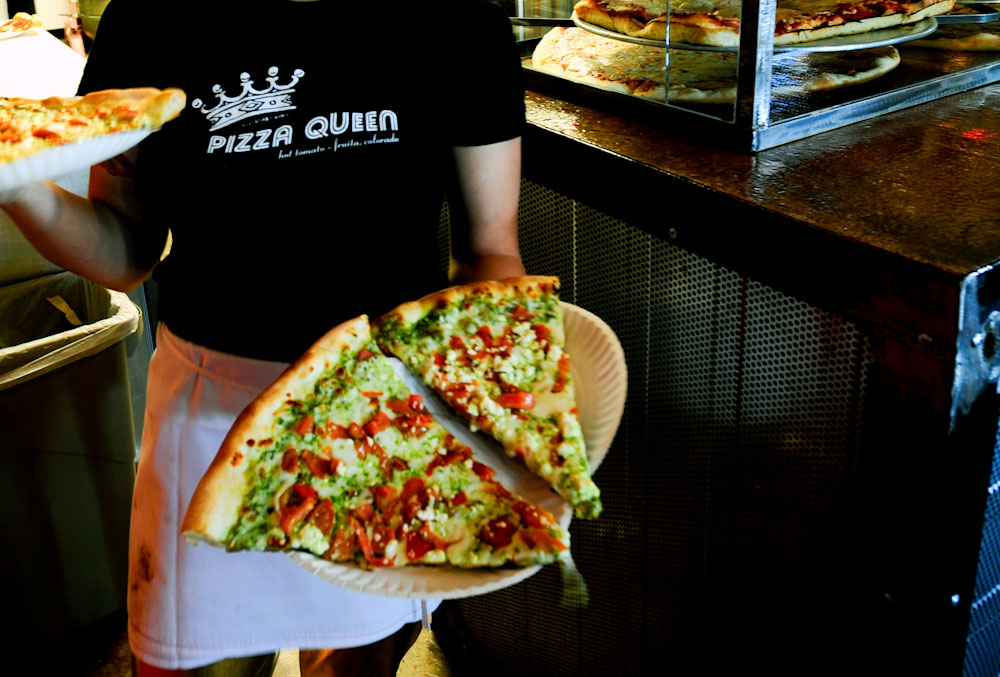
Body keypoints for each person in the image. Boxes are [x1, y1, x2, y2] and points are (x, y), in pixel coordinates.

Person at [0, 0, 527, 674]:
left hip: (377, 418)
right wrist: (21, 188)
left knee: (352, 665)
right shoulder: (152, 19)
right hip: (205, 414)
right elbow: (125, 250)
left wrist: (507, 399)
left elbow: (488, 250)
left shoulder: (455, 21)